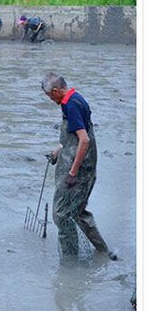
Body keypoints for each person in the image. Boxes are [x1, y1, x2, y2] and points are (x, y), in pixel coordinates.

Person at [41, 73, 117, 261]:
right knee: (77, 212)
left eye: (50, 96)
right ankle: (104, 252)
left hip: (80, 170)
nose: (51, 100)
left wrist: (73, 173)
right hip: (82, 164)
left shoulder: (71, 105)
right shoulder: (74, 98)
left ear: (56, 91)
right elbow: (74, 135)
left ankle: (69, 261)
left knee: (61, 214)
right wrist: (59, 150)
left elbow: (84, 141)